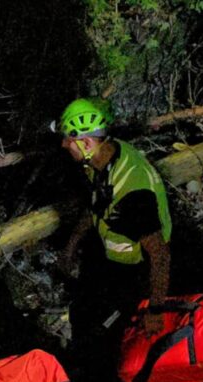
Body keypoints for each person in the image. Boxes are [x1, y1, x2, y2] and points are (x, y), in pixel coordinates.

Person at [58, 98, 172, 338]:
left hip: (135, 268)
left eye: (69, 139)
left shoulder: (132, 194)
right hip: (112, 253)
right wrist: (71, 245)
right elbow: (98, 205)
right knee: (83, 310)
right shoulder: (103, 157)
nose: (64, 145)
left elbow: (160, 255)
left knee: (108, 328)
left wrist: (155, 310)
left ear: (87, 142)